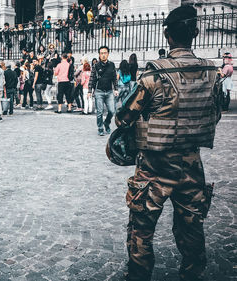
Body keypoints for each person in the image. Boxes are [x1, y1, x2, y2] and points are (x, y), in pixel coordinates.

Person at [115, 6, 220, 281]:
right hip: (191, 165)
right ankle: (192, 275)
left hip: (154, 165)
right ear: (196, 33)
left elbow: (123, 118)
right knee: (192, 227)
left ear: (166, 35)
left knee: (141, 229)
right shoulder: (211, 74)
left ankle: (138, 276)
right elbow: (215, 114)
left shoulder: (153, 77)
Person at [88, 45, 118, 136]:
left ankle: (107, 123)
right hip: (99, 91)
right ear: (99, 55)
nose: (103, 55)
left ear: (108, 54)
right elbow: (92, 78)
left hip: (109, 91)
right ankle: (100, 128)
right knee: (99, 112)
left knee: (112, 111)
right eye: (101, 53)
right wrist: (89, 90)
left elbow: (114, 78)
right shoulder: (96, 66)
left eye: (105, 53)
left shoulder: (112, 65)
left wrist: (116, 89)